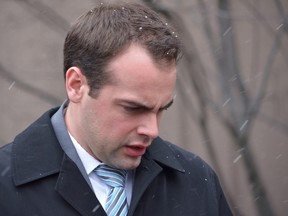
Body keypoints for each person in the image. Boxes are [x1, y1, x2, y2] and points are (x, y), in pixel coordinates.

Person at [0, 2, 233, 216]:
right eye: (133, 108)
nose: (152, 130)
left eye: (161, 109)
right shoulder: (6, 187)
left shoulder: (196, 181)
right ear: (76, 85)